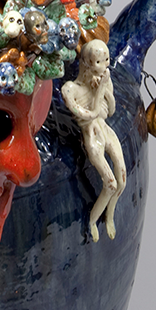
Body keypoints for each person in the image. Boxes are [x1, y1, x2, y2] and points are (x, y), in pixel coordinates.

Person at [60, 39, 127, 242]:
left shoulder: (105, 80)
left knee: (122, 181)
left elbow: (111, 111)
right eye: (99, 62)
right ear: (87, 63)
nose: (105, 66)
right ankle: (92, 221)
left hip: (106, 130)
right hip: (92, 134)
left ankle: (110, 215)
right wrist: (98, 92)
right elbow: (91, 114)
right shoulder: (70, 89)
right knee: (110, 184)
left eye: (107, 60)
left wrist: (105, 90)